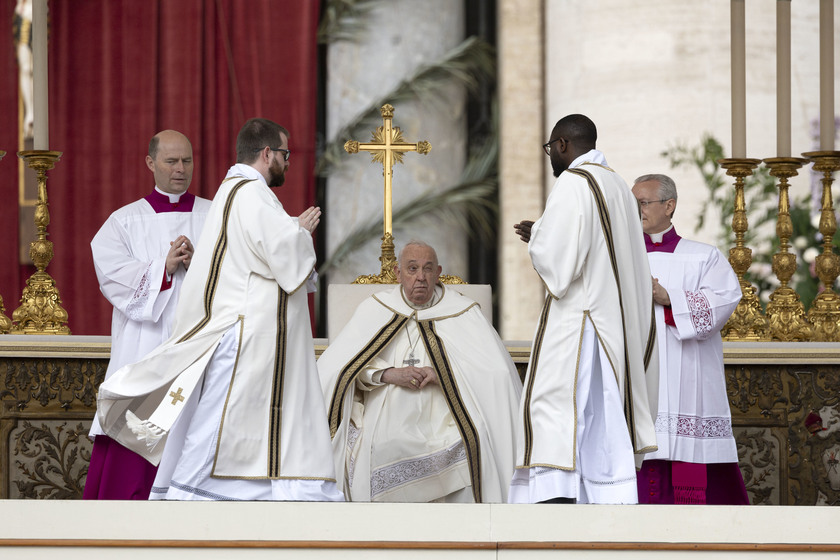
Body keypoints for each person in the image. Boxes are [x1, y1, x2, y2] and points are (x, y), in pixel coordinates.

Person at [95, 118, 343, 501]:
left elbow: (247, 259)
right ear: (266, 154)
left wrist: (289, 229)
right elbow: (287, 263)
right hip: (226, 333)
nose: (181, 169)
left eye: (187, 161)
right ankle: (194, 495)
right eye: (285, 155)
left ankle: (200, 493)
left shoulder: (223, 198)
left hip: (222, 330)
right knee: (218, 423)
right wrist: (298, 234)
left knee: (220, 420)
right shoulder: (247, 194)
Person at [509, 114, 659, 505]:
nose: (551, 159)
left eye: (550, 149)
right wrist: (544, 230)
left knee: (556, 406)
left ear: (562, 144)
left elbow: (561, 265)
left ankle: (556, 493)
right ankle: (607, 493)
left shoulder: (574, 183)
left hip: (581, 322)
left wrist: (537, 236)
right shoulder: (618, 186)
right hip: (613, 324)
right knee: (601, 413)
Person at [319, 241, 523, 503]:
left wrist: (444, 374)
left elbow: (496, 373)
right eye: (412, 268)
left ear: (438, 272)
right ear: (398, 273)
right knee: (382, 445)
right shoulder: (375, 308)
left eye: (428, 269)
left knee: (472, 438)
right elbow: (341, 366)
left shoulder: (464, 311)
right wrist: (388, 374)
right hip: (388, 404)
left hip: (447, 407)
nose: (421, 277)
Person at [84, 130, 210, 500]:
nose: (180, 169)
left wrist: (198, 261)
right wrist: (162, 268)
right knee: (135, 446)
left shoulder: (214, 213)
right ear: (150, 163)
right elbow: (111, 274)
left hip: (199, 349)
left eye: (187, 160)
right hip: (144, 350)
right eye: (171, 161)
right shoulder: (124, 222)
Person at [631, 173, 749, 504]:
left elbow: (724, 299)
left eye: (642, 202)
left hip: (686, 373)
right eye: (631, 203)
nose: (635, 209)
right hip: (637, 373)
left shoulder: (703, 256)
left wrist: (670, 299)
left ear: (669, 206)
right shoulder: (617, 257)